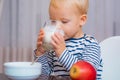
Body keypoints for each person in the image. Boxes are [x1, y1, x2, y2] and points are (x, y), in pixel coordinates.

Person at [34, 0, 103, 80]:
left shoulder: (90, 44)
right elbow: (43, 76)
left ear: (82, 20)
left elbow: (86, 76)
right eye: (53, 22)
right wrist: (41, 53)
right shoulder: (54, 45)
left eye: (64, 21)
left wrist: (62, 53)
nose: (57, 27)